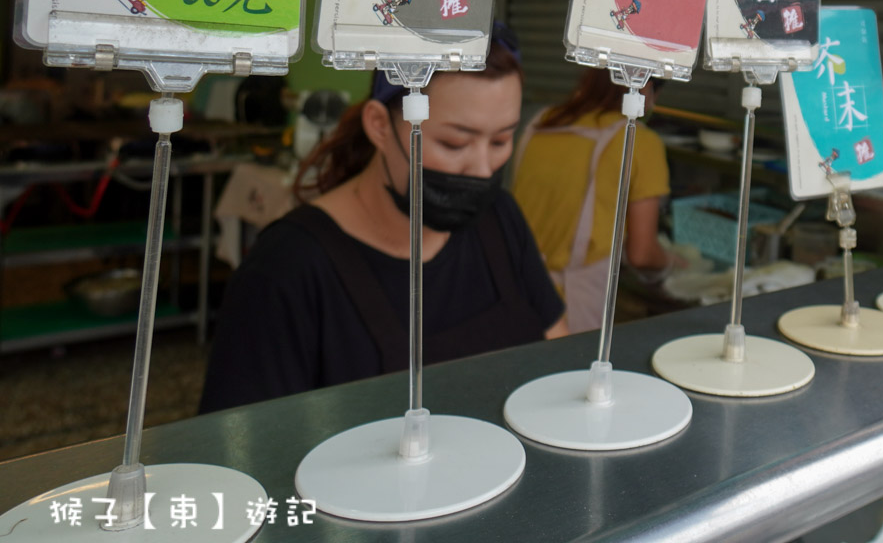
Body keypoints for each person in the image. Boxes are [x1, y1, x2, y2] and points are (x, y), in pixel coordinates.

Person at [199, 27, 565, 413]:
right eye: (453, 143)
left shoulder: (500, 222)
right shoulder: (286, 271)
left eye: (500, 141)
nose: (481, 169)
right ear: (378, 125)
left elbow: (558, 355)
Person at [511, 67, 677, 332]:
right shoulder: (640, 142)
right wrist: (676, 263)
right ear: (643, 88)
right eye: (656, 91)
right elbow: (642, 254)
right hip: (569, 305)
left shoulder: (542, 122)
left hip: (514, 289)